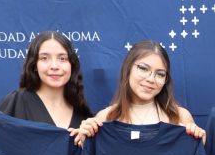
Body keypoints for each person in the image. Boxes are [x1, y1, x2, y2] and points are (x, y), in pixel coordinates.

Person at [72, 39, 204, 144]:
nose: (151, 79)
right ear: (128, 69)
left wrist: (198, 141)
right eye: (143, 68)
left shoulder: (181, 117)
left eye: (160, 74)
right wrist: (84, 142)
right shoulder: (105, 118)